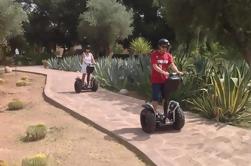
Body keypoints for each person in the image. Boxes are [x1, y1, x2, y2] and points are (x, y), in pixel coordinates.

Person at [151, 38, 183, 112]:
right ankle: (153, 114)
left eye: (166, 47)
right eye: (163, 47)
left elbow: (172, 65)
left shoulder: (168, 55)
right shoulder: (154, 54)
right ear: (159, 46)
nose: (165, 48)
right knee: (156, 97)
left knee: (165, 97)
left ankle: (165, 113)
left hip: (165, 80)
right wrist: (163, 72)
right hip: (156, 80)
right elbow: (155, 66)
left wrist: (178, 71)